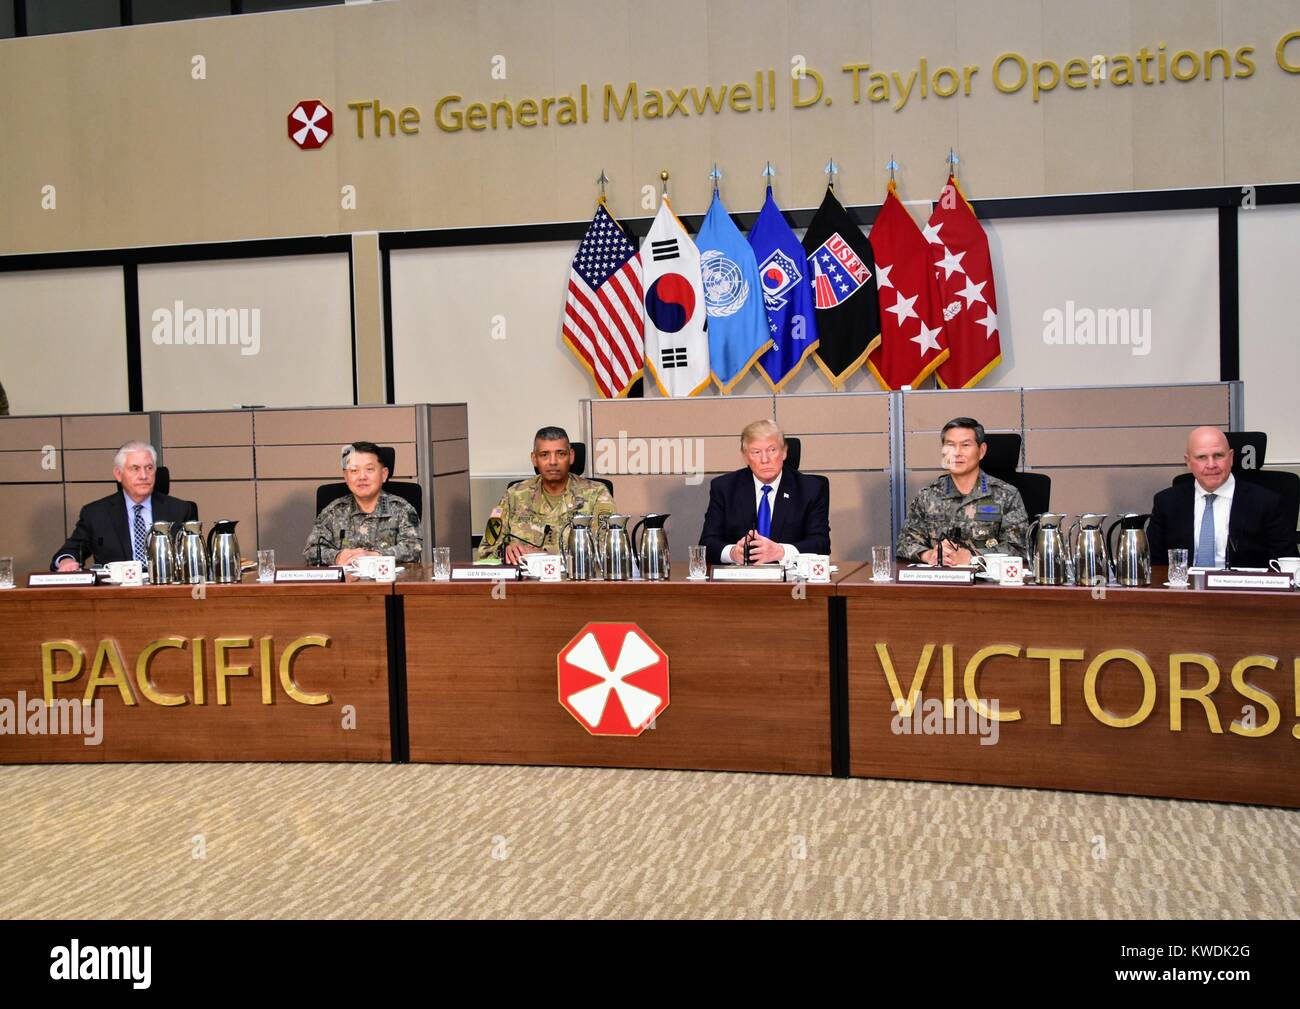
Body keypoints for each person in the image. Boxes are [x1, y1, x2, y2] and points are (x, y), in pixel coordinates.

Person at [1147, 426, 1293, 569]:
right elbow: (1153, 564)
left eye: (1218, 456)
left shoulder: (1266, 502)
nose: (1211, 465)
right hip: (1184, 589)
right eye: (1202, 457)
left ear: (1231, 457)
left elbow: (1287, 564)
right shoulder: (1166, 502)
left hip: (1244, 590)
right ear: (1188, 462)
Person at [896, 417, 1028, 566]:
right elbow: (905, 544)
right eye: (950, 445)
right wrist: (929, 555)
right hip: (940, 581)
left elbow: (1020, 549)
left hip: (987, 585)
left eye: (965, 445)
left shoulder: (1006, 495)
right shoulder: (928, 496)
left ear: (981, 451)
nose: (956, 453)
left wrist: (973, 558)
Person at [477, 426, 616, 563]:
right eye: (544, 455)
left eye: (561, 453)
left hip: (576, 581)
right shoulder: (514, 495)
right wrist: (505, 550)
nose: (553, 461)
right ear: (534, 459)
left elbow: (607, 550)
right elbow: (485, 552)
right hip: (525, 582)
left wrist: (544, 556)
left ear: (571, 456)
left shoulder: (597, 493)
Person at [699, 419, 830, 565]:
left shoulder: (810, 489)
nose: (765, 459)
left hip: (791, 582)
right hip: (740, 582)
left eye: (772, 450)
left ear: (784, 452)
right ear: (745, 457)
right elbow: (707, 543)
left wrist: (781, 552)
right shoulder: (725, 488)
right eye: (756, 452)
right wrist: (732, 553)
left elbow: (821, 544)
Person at [51, 441, 198, 570]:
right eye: (135, 468)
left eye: (149, 468)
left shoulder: (180, 510)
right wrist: (67, 560)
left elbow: (194, 560)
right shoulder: (96, 514)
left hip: (166, 593)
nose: (143, 476)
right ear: (118, 474)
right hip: (115, 595)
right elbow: (71, 550)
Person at [303, 441, 422, 565]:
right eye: (354, 470)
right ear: (346, 477)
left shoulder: (402, 509)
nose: (362, 477)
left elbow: (414, 548)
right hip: (346, 583)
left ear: (383, 474)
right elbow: (311, 551)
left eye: (369, 469)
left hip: (390, 581)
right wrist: (337, 557)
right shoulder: (333, 511)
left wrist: (375, 556)